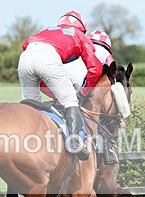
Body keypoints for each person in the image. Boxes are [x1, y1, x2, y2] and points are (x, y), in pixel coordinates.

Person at [18, 10, 103, 160]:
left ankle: (24, 140)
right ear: (82, 28)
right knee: (71, 101)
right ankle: (76, 142)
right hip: (47, 58)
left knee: (32, 106)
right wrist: (84, 92)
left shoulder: (46, 30)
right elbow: (95, 68)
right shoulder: (81, 36)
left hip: (25, 58)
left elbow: (26, 45)